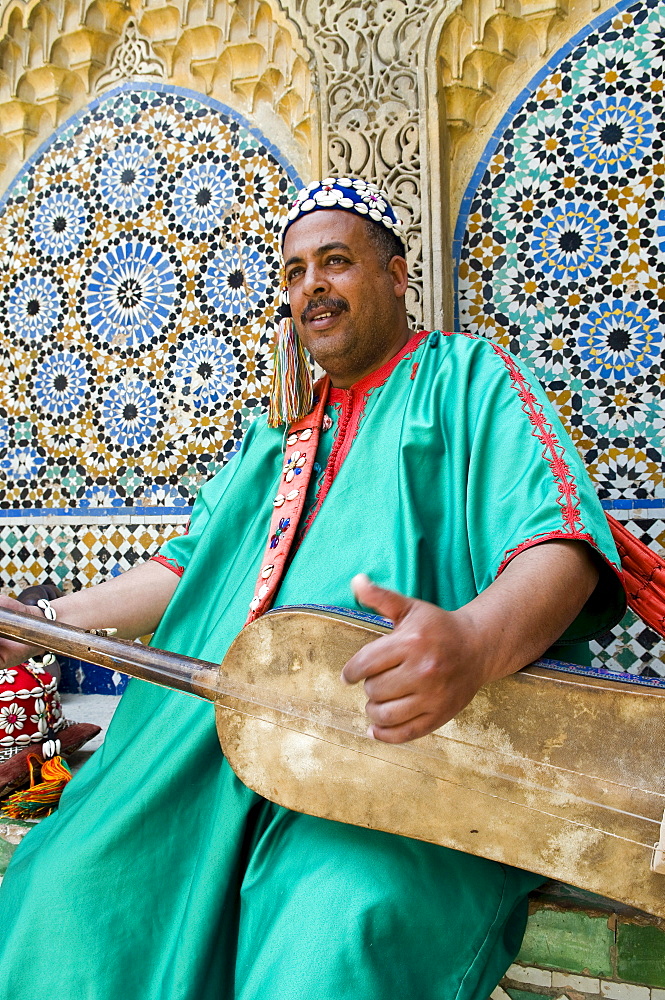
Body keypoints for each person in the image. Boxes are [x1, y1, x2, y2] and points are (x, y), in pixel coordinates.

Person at [0, 177, 625, 1000]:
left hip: (404, 756)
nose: (310, 287)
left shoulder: (472, 378)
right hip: (216, 743)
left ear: (399, 276)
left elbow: (563, 542)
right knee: (68, 888)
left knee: (328, 939)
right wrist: (42, 622)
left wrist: (473, 643)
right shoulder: (279, 432)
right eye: (294, 272)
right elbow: (188, 565)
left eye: (336, 262)